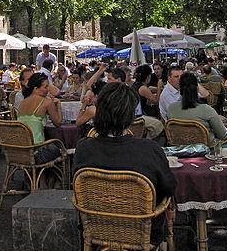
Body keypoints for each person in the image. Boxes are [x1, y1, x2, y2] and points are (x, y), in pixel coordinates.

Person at [73, 83, 176, 248]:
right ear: (130, 115)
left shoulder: (83, 147)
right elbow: (169, 188)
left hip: (97, 227)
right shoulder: (149, 149)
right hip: (144, 230)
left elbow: (77, 188)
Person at [165, 73, 227, 144]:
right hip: (207, 152)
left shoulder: (171, 109)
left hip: (179, 150)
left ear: (180, 89)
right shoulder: (206, 110)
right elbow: (224, 135)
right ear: (197, 88)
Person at [18, 73, 62, 163]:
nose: (47, 90)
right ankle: (47, 175)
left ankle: (40, 175)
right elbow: (58, 123)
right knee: (59, 148)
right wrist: (58, 105)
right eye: (45, 87)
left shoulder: (22, 102)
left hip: (21, 150)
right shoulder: (47, 102)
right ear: (36, 89)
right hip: (37, 151)